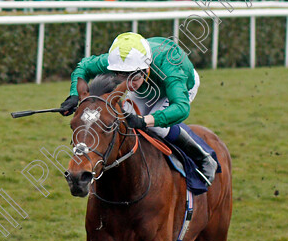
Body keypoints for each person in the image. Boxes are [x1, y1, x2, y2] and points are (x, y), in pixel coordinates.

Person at [59, 32, 218, 185]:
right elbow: (83, 67)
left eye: (133, 78)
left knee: (157, 128)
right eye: (121, 77)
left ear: (146, 69)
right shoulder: (118, 60)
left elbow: (181, 108)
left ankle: (203, 158)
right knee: (122, 118)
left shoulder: (170, 67)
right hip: (146, 87)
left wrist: (145, 120)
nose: (128, 85)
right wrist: (73, 95)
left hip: (181, 87)